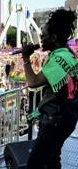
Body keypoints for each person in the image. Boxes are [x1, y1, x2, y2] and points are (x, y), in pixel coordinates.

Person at [21, 9, 78, 169]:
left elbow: (33, 82)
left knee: (34, 164)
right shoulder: (67, 54)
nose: (41, 40)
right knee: (53, 159)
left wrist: (26, 58)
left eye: (43, 36)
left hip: (56, 122)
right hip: (66, 118)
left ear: (53, 38)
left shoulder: (59, 59)